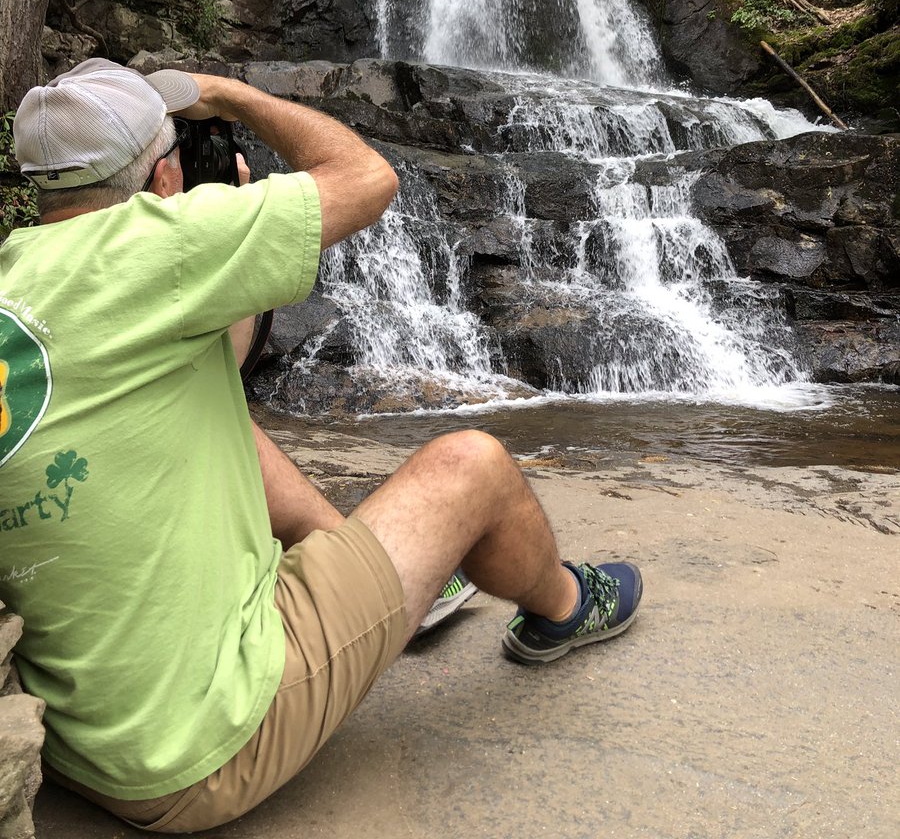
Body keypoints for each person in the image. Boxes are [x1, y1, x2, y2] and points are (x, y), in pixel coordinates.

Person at [0, 59, 642, 834]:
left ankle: (378, 576)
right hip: (199, 751)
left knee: (217, 416)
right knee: (473, 466)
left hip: (78, 740)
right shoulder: (159, 243)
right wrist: (228, 95)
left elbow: (212, 370)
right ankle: (566, 610)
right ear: (164, 176)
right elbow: (366, 177)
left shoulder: (20, 278)